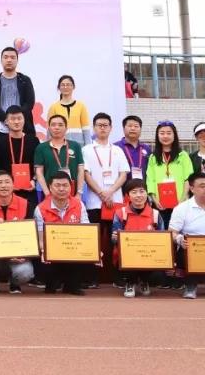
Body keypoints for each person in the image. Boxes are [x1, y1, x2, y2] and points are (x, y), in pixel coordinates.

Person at [82, 112, 129, 288]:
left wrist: (110, 192)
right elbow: (86, 174)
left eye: (105, 125)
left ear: (110, 128)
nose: (102, 128)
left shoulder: (117, 150)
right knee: (94, 240)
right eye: (99, 125)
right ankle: (92, 277)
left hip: (115, 202)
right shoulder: (86, 149)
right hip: (94, 202)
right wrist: (101, 193)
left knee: (115, 239)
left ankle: (118, 277)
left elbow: (123, 174)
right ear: (94, 128)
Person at [34, 171, 90, 296]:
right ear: (50, 187)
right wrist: (46, 251)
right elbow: (41, 239)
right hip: (52, 251)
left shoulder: (79, 205)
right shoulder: (40, 209)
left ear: (71, 187)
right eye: (57, 185)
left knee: (89, 253)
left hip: (73, 249)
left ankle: (72, 285)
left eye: (65, 185)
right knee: (43, 261)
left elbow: (87, 231)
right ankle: (52, 283)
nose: (61, 189)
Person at [0, 170, 34, 295]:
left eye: (7, 182)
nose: (4, 185)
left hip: (18, 251)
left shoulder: (25, 204)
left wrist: (24, 253)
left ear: (13, 185)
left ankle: (15, 284)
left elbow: (30, 234)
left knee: (25, 273)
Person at [110, 179, 164, 298]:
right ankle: (130, 282)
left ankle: (144, 281)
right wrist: (115, 237)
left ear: (147, 193)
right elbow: (113, 239)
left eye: (142, 191)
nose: (138, 195)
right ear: (127, 195)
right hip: (127, 255)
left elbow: (162, 238)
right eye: (134, 192)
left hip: (149, 253)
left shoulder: (155, 214)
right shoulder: (120, 213)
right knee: (126, 255)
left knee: (159, 273)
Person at [145, 121, 192, 229]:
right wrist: (155, 200)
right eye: (162, 133)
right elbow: (150, 180)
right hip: (159, 204)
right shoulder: (153, 157)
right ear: (157, 136)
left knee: (179, 232)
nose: (165, 136)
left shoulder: (183, 155)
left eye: (169, 133)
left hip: (180, 203)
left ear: (174, 135)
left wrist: (182, 200)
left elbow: (188, 179)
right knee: (162, 233)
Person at [0, 106, 40, 214]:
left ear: (24, 120)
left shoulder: (33, 141)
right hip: (6, 192)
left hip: (29, 189)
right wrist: (6, 183)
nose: (16, 122)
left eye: (19, 118)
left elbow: (38, 165)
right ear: (6, 121)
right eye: (12, 119)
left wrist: (33, 181)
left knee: (29, 219)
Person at [0, 46, 36, 142]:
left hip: (22, 128)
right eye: (6, 57)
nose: (9, 60)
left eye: (12, 57)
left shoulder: (25, 80)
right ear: (1, 60)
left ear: (17, 60)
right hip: (0, 129)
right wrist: (7, 119)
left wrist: (17, 119)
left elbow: (29, 102)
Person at [33, 115, 85, 197]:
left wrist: (79, 193)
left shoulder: (75, 146)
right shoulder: (41, 147)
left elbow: (81, 171)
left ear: (66, 128)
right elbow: (39, 172)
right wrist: (47, 194)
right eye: (53, 125)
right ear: (49, 128)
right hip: (49, 193)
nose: (57, 128)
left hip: (72, 194)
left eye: (60, 125)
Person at [46, 75, 90, 144]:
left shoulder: (81, 106)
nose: (65, 87)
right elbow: (49, 130)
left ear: (73, 87)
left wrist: (88, 146)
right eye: (63, 85)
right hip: (59, 145)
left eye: (68, 85)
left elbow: (86, 129)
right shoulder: (53, 107)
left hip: (78, 145)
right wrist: (49, 145)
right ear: (59, 87)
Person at [114, 115, 152, 181]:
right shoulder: (115, 147)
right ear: (123, 128)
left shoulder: (147, 148)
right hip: (122, 186)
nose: (133, 128)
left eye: (136, 126)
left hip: (142, 186)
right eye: (130, 126)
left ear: (140, 129)